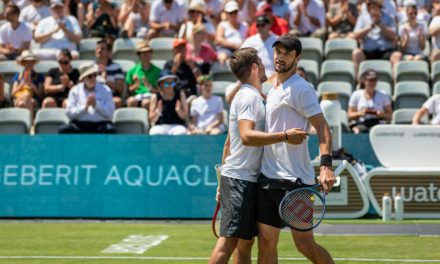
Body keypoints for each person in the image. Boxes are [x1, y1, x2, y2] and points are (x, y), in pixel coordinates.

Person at [208, 47, 309, 264]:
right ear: (255, 67)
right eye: (262, 64)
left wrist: (221, 183)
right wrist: (284, 136)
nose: (266, 68)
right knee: (228, 243)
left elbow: (228, 143)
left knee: (245, 243)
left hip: (246, 180)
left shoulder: (254, 96)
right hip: (240, 180)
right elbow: (245, 136)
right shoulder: (248, 98)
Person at [257, 34, 336, 264]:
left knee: (304, 245)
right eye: (278, 52)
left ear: (297, 58)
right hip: (268, 179)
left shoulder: (301, 89)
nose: (281, 57)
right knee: (265, 243)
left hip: (296, 183)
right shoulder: (270, 88)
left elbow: (323, 128)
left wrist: (325, 167)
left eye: (287, 53)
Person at [59, 63, 116, 134]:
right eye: (89, 76)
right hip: (79, 125)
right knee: (64, 130)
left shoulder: (106, 90)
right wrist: (84, 108)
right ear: (83, 79)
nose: (93, 78)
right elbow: (69, 113)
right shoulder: (74, 90)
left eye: (95, 75)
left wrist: (96, 105)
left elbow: (110, 114)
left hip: (101, 124)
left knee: (110, 129)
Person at [351, 0, 399, 79]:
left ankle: (394, 84)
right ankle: (358, 82)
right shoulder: (362, 18)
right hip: (368, 52)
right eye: (367, 4)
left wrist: (379, 22)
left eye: (370, 4)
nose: (367, 5)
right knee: (356, 53)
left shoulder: (389, 18)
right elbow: (355, 35)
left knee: (397, 56)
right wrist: (371, 26)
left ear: (378, 6)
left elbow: (393, 36)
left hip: (385, 51)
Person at [348, 69, 392, 134]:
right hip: (362, 122)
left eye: (375, 80)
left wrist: (381, 114)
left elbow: (390, 115)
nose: (373, 83)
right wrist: (360, 113)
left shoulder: (383, 95)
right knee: (359, 131)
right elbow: (349, 115)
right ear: (364, 81)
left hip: (378, 123)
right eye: (370, 80)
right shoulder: (356, 95)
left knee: (376, 131)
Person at [148, 70, 188, 135]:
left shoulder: (180, 95)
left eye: (172, 83)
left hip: (177, 125)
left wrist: (179, 111)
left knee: (181, 132)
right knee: (155, 132)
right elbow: (152, 120)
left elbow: (185, 116)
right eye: (166, 84)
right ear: (160, 84)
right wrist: (158, 112)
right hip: (160, 125)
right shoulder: (155, 97)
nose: (170, 86)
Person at [125, 40, 162, 109]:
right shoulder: (132, 71)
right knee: (131, 101)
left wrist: (149, 86)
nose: (146, 54)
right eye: (143, 53)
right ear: (139, 55)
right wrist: (136, 84)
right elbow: (129, 91)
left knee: (146, 102)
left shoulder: (159, 71)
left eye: (148, 52)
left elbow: (160, 91)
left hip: (152, 96)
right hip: (137, 96)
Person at [241, 14, 277, 79]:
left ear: (269, 25)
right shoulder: (250, 41)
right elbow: (240, 55)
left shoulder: (277, 40)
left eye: (262, 25)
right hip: (256, 77)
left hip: (274, 76)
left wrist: (277, 74)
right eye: (258, 25)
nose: (260, 27)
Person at [11, 50, 44, 117]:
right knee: (26, 98)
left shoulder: (39, 76)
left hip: (33, 99)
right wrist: (23, 83)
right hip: (19, 98)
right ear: (23, 63)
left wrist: (31, 84)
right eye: (26, 62)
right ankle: (31, 123)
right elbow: (13, 93)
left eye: (31, 62)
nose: (29, 64)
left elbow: (40, 95)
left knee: (22, 104)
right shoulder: (18, 75)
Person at [95, 39, 125, 108]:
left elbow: (120, 89)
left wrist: (106, 81)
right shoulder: (90, 67)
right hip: (94, 95)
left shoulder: (116, 67)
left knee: (117, 101)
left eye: (102, 49)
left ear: (108, 52)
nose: (99, 51)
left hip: (111, 96)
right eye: (97, 49)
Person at [215, 1, 248, 65]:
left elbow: (248, 39)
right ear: (226, 14)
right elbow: (219, 39)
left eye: (235, 12)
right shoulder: (222, 25)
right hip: (226, 49)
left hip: (241, 50)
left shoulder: (245, 25)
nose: (233, 15)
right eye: (231, 13)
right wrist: (234, 45)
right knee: (222, 57)